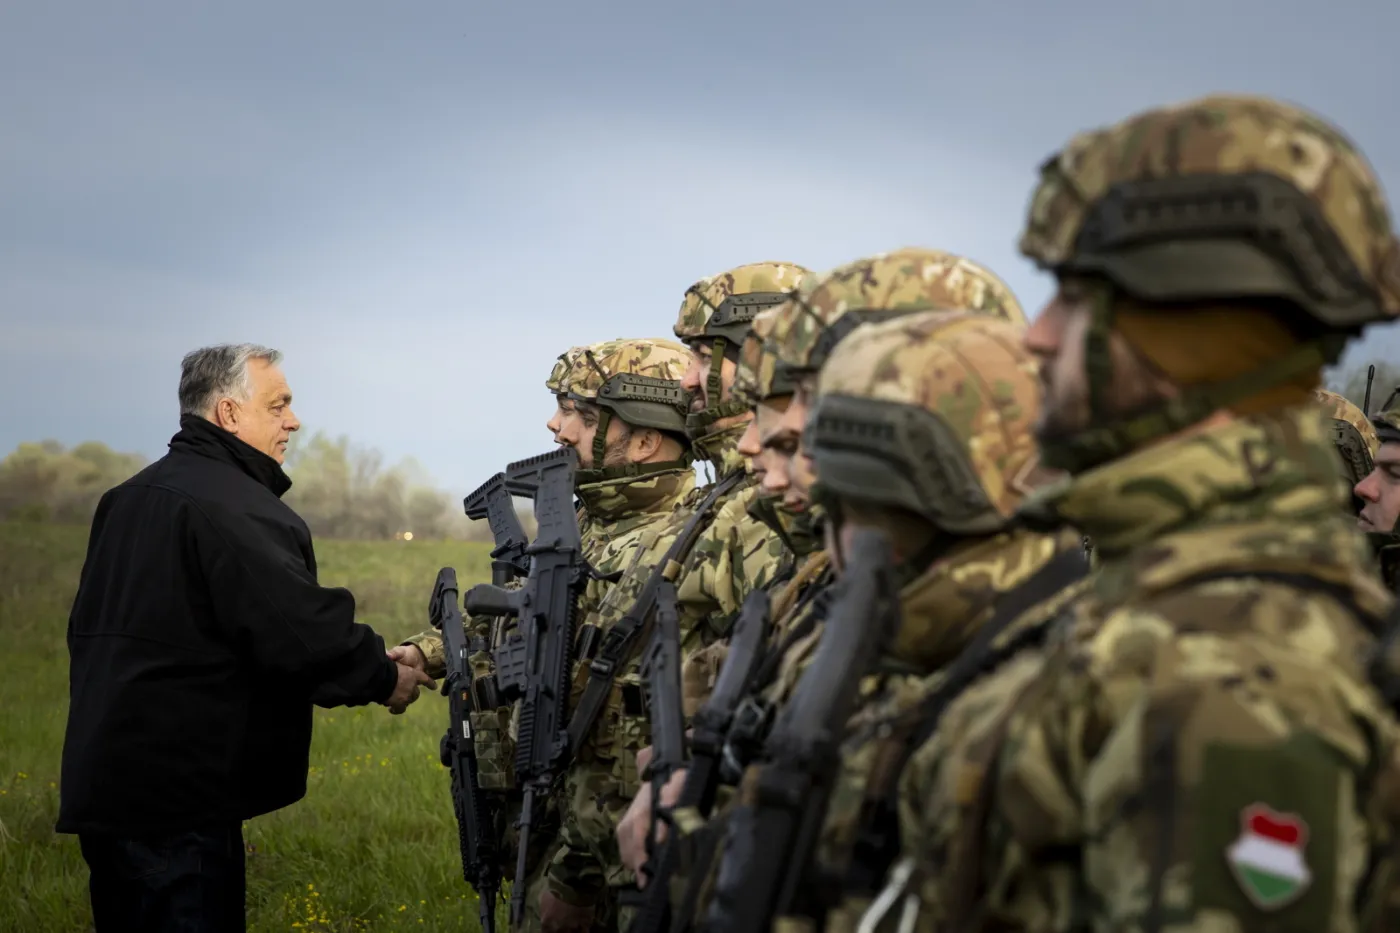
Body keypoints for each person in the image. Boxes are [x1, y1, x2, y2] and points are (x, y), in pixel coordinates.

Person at [877, 93, 1400, 933]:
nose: (1038, 336)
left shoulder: (1233, 666)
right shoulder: (1170, 592)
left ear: (1186, 330)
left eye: (1077, 298)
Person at [57, 343, 434, 933]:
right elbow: (300, 634)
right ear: (229, 413)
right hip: (179, 803)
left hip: (108, 788)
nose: (294, 421)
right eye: (278, 405)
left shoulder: (127, 498)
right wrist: (386, 675)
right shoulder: (232, 506)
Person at [394, 336, 698, 933]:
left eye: (577, 413)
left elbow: (629, 735)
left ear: (644, 440)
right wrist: (425, 653)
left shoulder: (679, 544)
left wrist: (573, 877)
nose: (555, 426)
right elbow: (520, 607)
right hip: (544, 820)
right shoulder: (589, 521)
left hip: (602, 855)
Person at [540, 262, 807, 933]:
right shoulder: (724, 506)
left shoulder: (759, 515)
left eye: (702, 357)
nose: (687, 380)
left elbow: (773, 700)